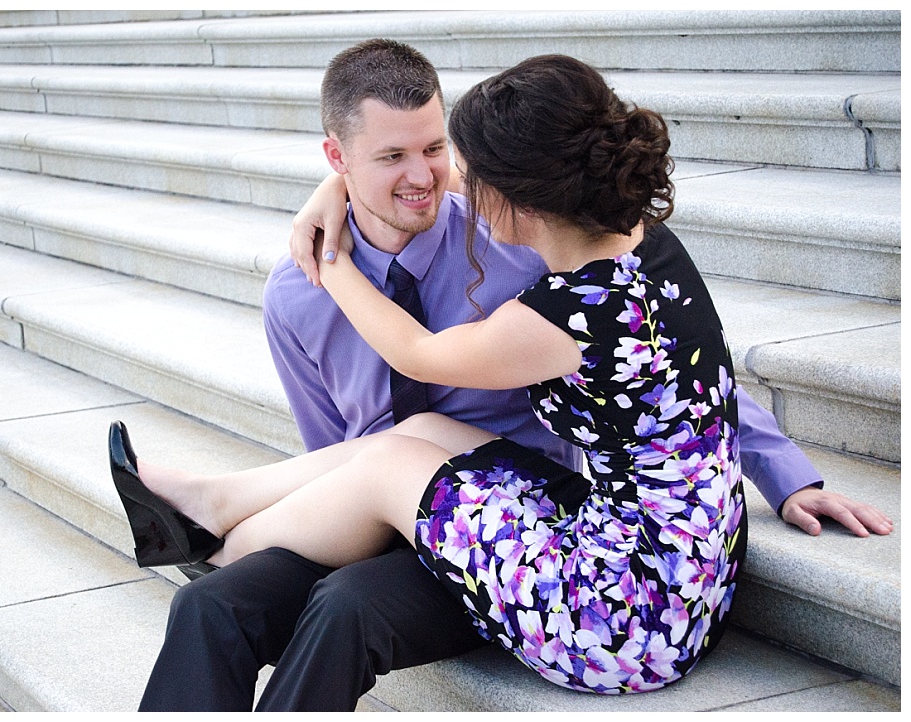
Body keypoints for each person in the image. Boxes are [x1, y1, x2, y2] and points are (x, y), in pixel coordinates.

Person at [125, 41, 892, 711]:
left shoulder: (546, 267)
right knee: (213, 604)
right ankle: (211, 512)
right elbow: (688, 388)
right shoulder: (618, 242)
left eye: (442, 155)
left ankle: (221, 534)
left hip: (593, 580)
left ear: (514, 191)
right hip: (497, 523)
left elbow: (428, 357)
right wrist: (335, 204)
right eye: (392, 156)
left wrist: (329, 261)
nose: (438, 179)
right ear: (339, 158)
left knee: (354, 565)